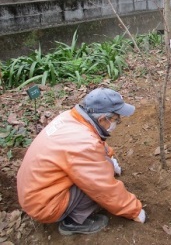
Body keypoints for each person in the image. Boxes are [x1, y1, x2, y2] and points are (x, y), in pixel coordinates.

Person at [17, 87, 146, 236]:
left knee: (104, 165)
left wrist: (109, 156)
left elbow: (94, 140)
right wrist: (134, 210)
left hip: (36, 191)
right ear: (102, 119)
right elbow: (101, 187)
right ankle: (73, 222)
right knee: (98, 180)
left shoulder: (71, 117)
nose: (117, 123)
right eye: (116, 119)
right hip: (45, 205)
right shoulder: (83, 144)